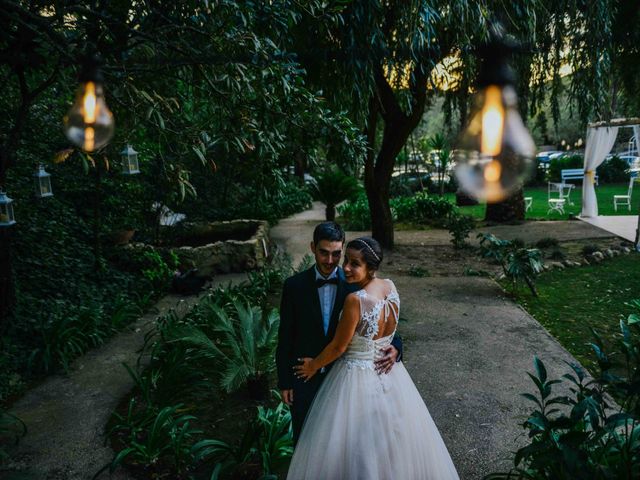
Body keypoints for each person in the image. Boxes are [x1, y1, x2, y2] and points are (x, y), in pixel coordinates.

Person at [287, 236, 460, 480]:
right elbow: (387, 331)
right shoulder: (390, 287)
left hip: (355, 376)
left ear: (371, 267)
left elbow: (338, 347)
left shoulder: (355, 300)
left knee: (354, 441)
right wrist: (391, 347)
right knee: (391, 436)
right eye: (346, 260)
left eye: (354, 263)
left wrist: (313, 365)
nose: (345, 267)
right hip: (389, 375)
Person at [276, 222, 403, 444]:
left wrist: (397, 349)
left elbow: (382, 323)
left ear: (342, 248)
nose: (330, 261)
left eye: (336, 254)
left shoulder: (357, 283)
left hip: (345, 381)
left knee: (346, 443)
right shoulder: (294, 286)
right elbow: (285, 335)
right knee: (306, 440)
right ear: (312, 247)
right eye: (323, 253)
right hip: (305, 376)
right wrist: (285, 381)